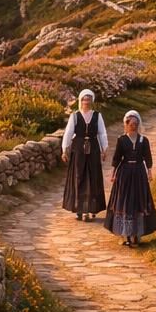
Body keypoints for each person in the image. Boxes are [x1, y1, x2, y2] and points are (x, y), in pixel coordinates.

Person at [104, 109, 156, 247]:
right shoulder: (122, 140)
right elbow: (117, 158)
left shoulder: (143, 140)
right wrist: (113, 172)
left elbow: (147, 157)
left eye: (135, 123)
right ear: (126, 124)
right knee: (125, 202)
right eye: (131, 123)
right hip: (125, 175)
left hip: (139, 174)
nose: (133, 125)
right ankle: (126, 235)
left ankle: (136, 235)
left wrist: (149, 171)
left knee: (138, 202)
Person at [60, 88, 107, 221]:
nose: (86, 102)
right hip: (79, 149)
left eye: (89, 99)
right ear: (81, 101)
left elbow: (102, 133)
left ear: (92, 101)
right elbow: (68, 133)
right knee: (79, 177)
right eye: (84, 99)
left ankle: (92, 208)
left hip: (93, 148)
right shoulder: (75, 116)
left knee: (93, 177)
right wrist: (64, 149)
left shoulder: (97, 116)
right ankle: (79, 208)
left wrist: (104, 149)